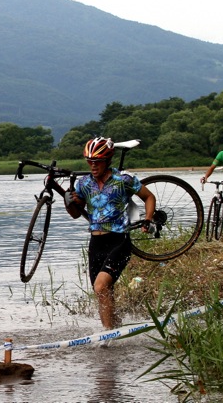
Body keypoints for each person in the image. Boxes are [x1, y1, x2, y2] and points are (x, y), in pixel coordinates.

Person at [62, 137, 156, 330]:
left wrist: (148, 219)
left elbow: (149, 197)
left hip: (118, 240)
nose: (93, 166)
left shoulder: (123, 180)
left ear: (107, 161)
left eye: (97, 162)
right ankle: (115, 333)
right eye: (90, 162)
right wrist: (68, 202)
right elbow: (74, 214)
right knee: (104, 293)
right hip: (95, 244)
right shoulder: (84, 184)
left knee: (101, 286)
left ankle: (107, 337)